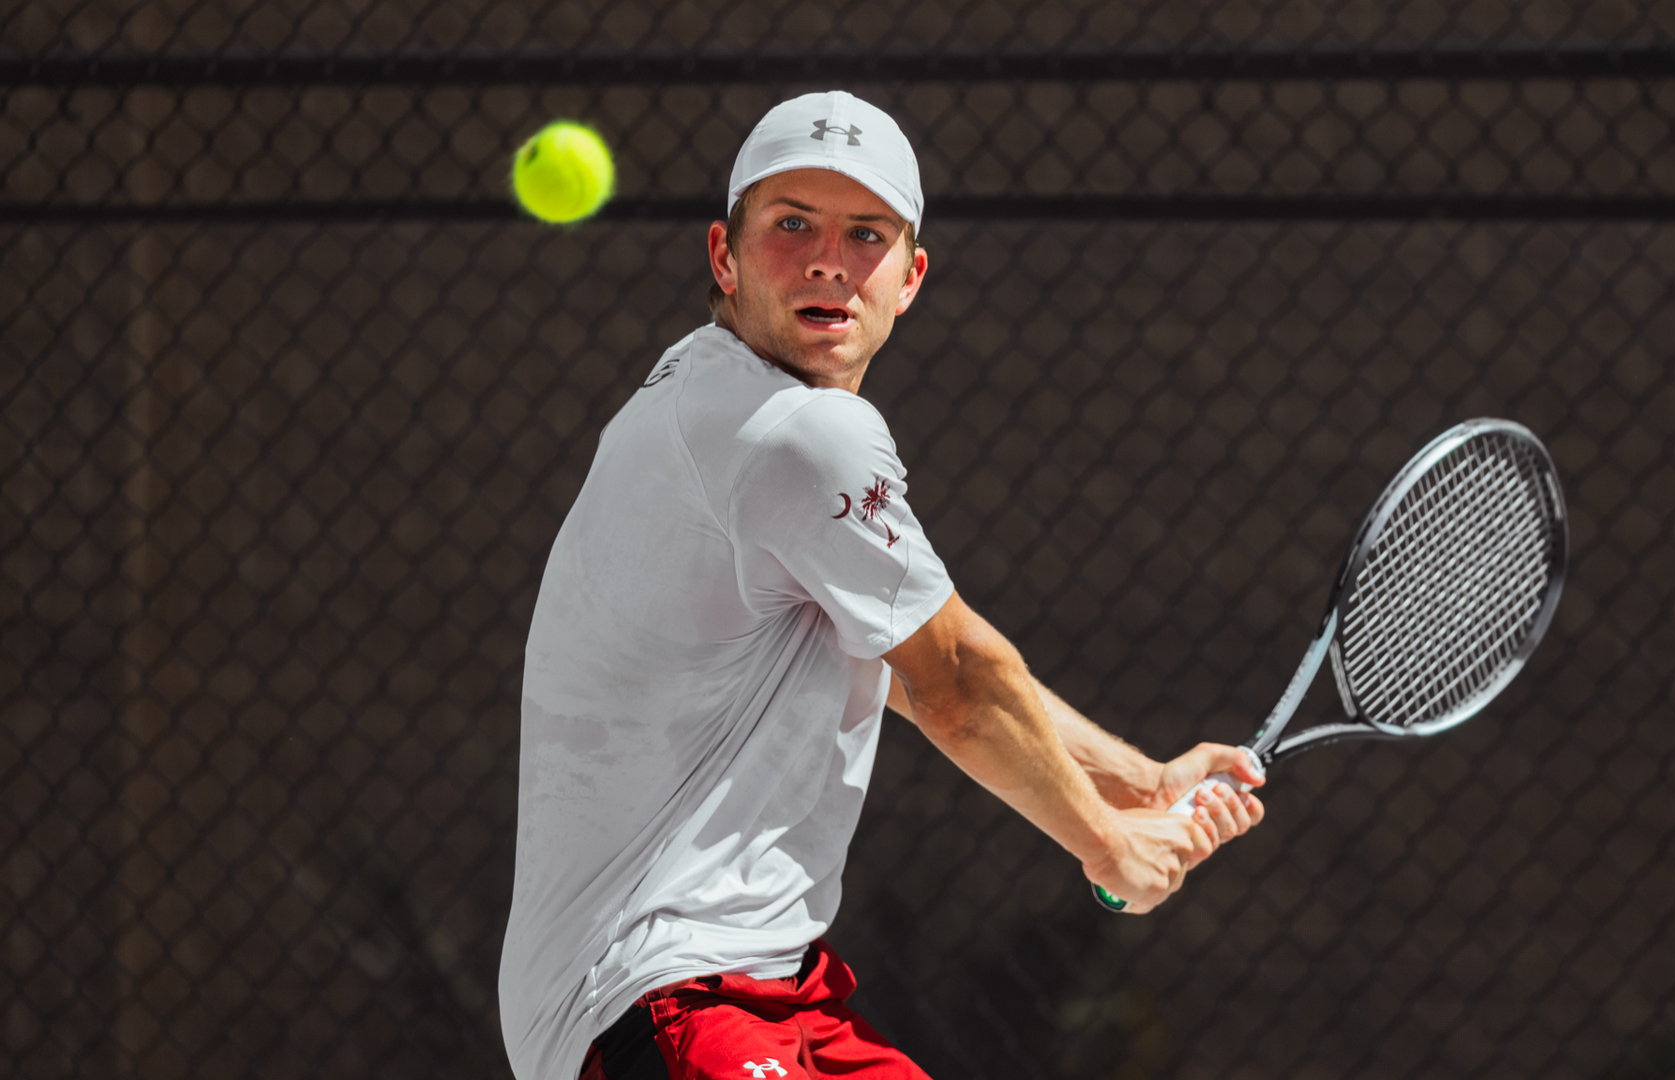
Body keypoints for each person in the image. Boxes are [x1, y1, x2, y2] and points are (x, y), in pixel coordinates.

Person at [497, 90, 1267, 1080]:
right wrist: (1111, 847)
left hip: (764, 988)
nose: (828, 259)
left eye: (865, 233)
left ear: (910, 278)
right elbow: (958, 682)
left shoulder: (699, 389)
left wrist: (1144, 785)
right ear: (724, 258)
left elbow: (910, 660)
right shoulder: (800, 433)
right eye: (792, 225)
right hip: (657, 1000)